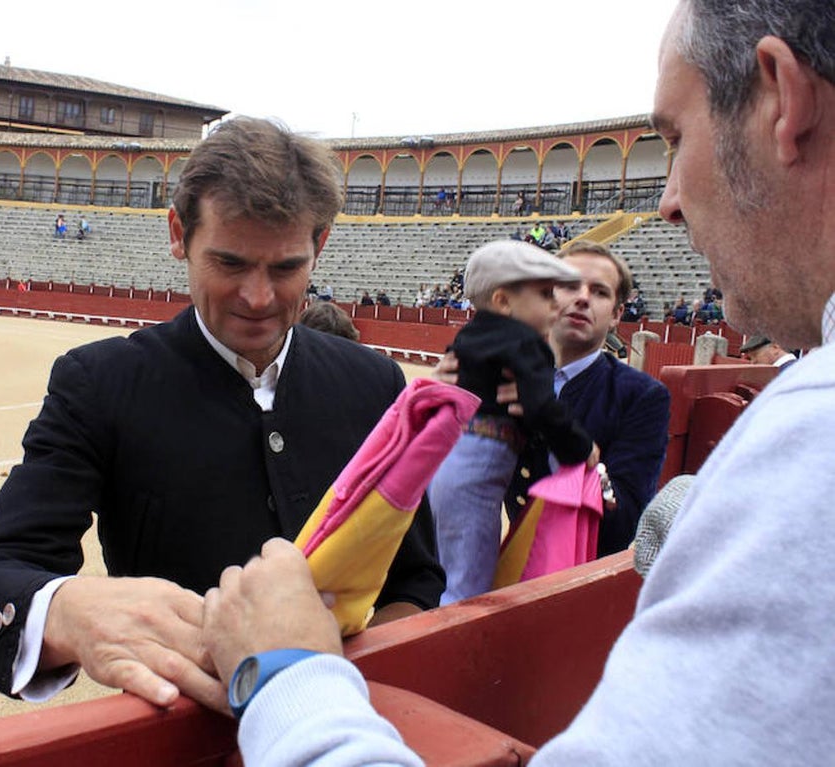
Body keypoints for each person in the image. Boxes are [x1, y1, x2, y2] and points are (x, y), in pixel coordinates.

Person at [200, 1, 835, 762]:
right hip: (488, 475)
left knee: (461, 562)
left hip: (472, 477)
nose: (666, 199)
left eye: (673, 137)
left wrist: (288, 676)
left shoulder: (810, 443)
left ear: (782, 97)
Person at [0, 117, 443, 713]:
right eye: (229, 263)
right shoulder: (101, 383)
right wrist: (68, 610)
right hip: (183, 734)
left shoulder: (374, 383)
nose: (258, 297)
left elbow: (416, 579)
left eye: (285, 268)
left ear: (320, 244)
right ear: (179, 234)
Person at [428, 240, 594, 604]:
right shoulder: (525, 341)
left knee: (443, 564)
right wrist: (578, 448)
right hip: (480, 465)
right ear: (504, 301)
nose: (557, 304)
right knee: (468, 582)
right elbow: (538, 404)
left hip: (443, 457)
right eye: (546, 294)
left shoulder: (468, 335)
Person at [505, 240, 670, 557]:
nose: (582, 298)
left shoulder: (642, 396)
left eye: (600, 292)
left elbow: (622, 525)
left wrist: (556, 430)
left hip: (575, 578)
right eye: (569, 285)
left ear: (616, 315)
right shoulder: (507, 374)